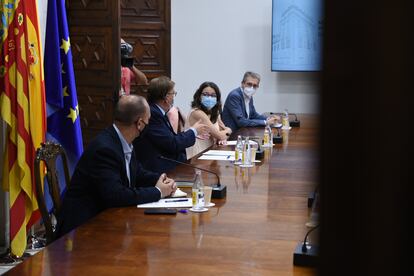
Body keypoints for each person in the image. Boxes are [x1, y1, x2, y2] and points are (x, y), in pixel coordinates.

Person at [56, 95, 176, 237]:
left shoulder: (123, 140)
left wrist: (159, 179)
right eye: (148, 121)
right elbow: (116, 195)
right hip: (83, 228)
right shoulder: (105, 149)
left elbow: (136, 172)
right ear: (139, 123)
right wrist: (158, 192)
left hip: (105, 218)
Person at [133, 76, 209, 173]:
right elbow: (172, 144)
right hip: (158, 169)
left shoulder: (160, 112)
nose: (174, 96)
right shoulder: (153, 114)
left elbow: (170, 138)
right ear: (166, 97)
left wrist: (192, 133)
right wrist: (193, 131)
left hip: (168, 163)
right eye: (173, 93)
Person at [185, 81, 232, 159]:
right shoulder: (197, 113)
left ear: (217, 99)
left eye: (213, 95)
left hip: (211, 154)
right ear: (199, 96)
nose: (209, 98)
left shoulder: (215, 113)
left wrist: (222, 137)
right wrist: (229, 130)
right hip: (197, 158)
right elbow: (221, 135)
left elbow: (222, 134)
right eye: (205, 94)